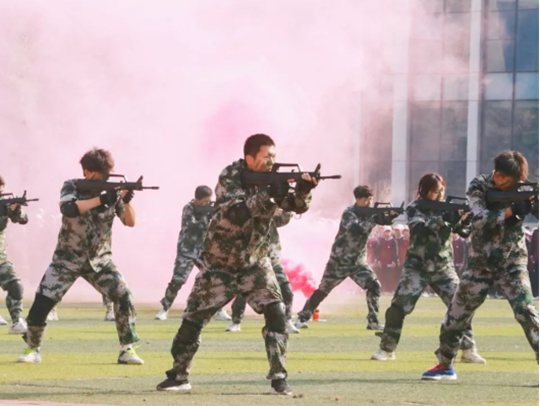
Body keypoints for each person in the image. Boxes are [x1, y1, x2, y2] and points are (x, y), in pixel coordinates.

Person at [157, 134, 317, 395]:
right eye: (266, 157)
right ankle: (178, 376)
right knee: (192, 322)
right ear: (249, 158)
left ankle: (279, 377)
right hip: (219, 264)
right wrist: (268, 193)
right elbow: (237, 212)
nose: (271, 162)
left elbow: (291, 210)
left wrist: (303, 191)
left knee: (276, 313)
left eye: (274, 157)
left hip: (255, 262)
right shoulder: (230, 176)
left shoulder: (274, 179)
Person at [17, 148, 143, 365]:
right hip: (66, 258)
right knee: (42, 302)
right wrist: (101, 199)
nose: (103, 178)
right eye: (99, 174)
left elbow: (130, 222)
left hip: (100, 260)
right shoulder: (72, 185)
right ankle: (32, 348)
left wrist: (126, 200)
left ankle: (127, 349)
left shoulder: (113, 192)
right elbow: (69, 209)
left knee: (124, 297)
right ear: (87, 172)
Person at [422, 151, 538, 380]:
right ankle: (445, 365)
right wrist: (512, 211)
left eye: (508, 180)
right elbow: (479, 219)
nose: (502, 181)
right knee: (456, 315)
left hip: (512, 262)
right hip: (480, 264)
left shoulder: (525, 191)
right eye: (501, 176)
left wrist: (532, 205)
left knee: (526, 312)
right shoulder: (479, 185)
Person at [372, 173, 485, 364]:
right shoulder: (415, 207)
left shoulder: (448, 207)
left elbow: (463, 232)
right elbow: (419, 229)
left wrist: (464, 220)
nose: (439, 195)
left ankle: (468, 349)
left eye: (441, 191)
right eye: (435, 191)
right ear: (424, 191)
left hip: (443, 266)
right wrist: (443, 219)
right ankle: (387, 349)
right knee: (398, 307)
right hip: (417, 266)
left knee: (461, 305)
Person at [295, 185, 398, 332]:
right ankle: (302, 318)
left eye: (370, 199)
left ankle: (373, 321)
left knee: (374, 286)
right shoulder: (349, 213)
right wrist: (375, 218)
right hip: (339, 261)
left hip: (358, 262)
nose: (369, 202)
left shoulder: (370, 213)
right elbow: (357, 229)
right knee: (323, 290)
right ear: (358, 199)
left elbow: (383, 221)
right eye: (366, 199)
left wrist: (391, 216)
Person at [154, 186, 231, 322]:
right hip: (187, 249)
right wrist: (207, 216)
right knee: (178, 280)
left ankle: (219, 310)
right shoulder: (188, 208)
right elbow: (192, 226)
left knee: (215, 279)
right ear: (198, 199)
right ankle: (164, 309)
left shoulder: (212, 209)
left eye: (209, 201)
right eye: (205, 201)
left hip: (204, 250)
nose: (208, 204)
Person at [226, 208, 299, 334]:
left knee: (286, 290)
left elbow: (283, 220)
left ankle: (287, 320)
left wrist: (286, 210)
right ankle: (236, 321)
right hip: (254, 260)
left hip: (273, 261)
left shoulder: (273, 218)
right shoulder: (252, 215)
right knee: (245, 291)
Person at [0, 176, 29, 334]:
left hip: (0, 258)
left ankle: (17, 321)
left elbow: (23, 220)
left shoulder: (4, 205)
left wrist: (15, 210)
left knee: (16, 286)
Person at [378, 226, 399, 292]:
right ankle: (384, 290)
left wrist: (394, 261)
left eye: (388, 232)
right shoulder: (381, 241)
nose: (387, 233)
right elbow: (379, 251)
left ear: (391, 232)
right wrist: (379, 261)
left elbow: (395, 252)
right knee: (383, 277)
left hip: (390, 263)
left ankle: (391, 290)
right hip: (383, 263)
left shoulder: (393, 241)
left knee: (390, 277)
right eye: (386, 232)